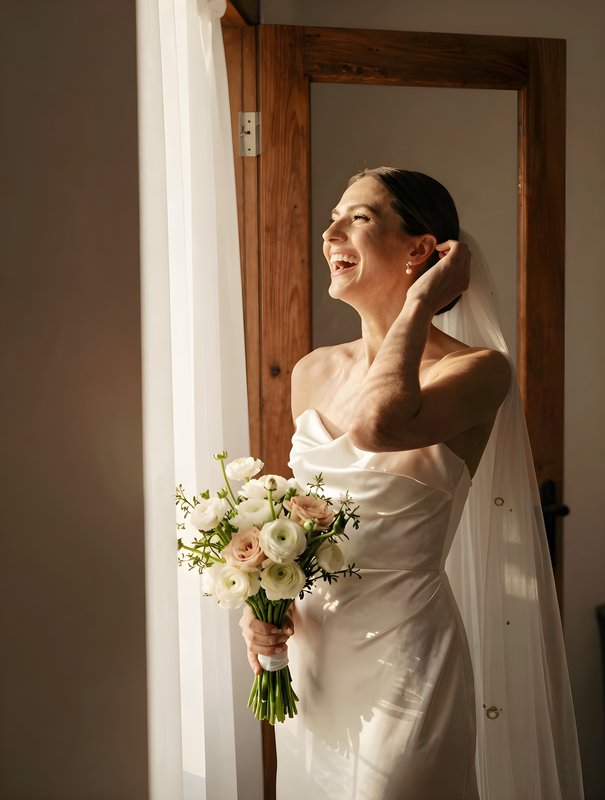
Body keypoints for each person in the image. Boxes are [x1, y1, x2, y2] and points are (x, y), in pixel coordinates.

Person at [240, 168, 584, 799]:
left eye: (359, 218)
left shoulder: (479, 371)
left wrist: (422, 303)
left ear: (421, 251)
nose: (330, 231)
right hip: (314, 661)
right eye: (334, 217)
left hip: (408, 661)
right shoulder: (312, 372)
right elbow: (300, 523)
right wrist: (260, 608)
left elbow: (378, 425)